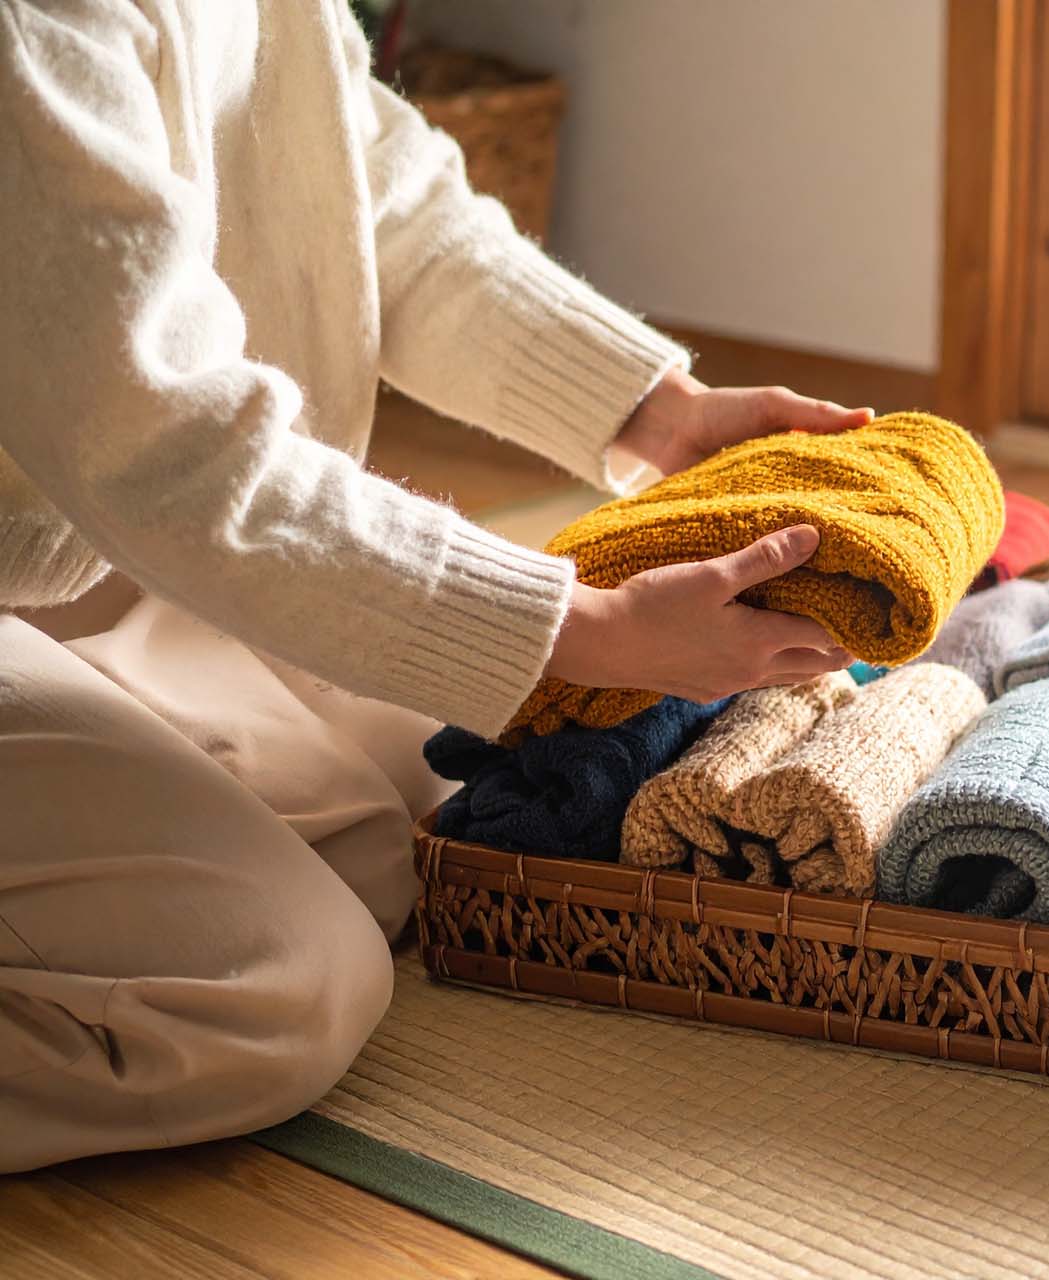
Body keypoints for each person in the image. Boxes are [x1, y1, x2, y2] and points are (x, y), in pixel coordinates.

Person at [0, 0, 863, 1172]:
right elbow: (160, 436)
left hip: (72, 550)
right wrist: (581, 626)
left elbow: (373, 196)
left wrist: (665, 416)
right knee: (281, 995)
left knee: (400, 828)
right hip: (102, 507)